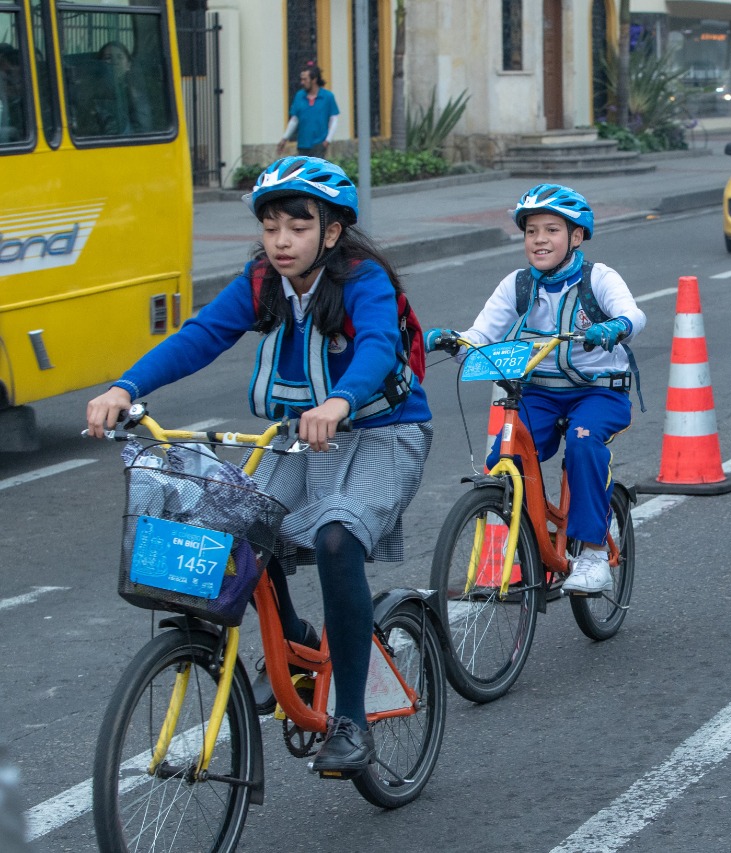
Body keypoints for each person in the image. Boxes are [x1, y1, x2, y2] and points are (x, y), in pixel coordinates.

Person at [85, 156, 433, 774]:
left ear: (330, 231)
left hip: (383, 432)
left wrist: (339, 400)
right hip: (302, 435)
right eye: (271, 225)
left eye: (297, 227)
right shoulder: (260, 281)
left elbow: (379, 344)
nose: (280, 240)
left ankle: (350, 720)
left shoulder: (362, 279)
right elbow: (200, 336)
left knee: (334, 539)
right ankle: (294, 643)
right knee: (237, 521)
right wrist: (126, 388)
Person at [426, 184, 645, 594]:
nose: (540, 239)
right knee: (503, 461)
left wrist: (615, 327)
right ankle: (534, 546)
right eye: (531, 231)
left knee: (582, 442)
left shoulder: (599, 278)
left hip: (598, 392)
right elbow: (481, 335)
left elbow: (633, 314)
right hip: (540, 393)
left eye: (552, 230)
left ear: (576, 237)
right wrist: (453, 340)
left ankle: (595, 551)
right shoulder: (518, 285)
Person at [278, 62, 339, 158]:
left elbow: (334, 119)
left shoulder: (327, 96)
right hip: (303, 143)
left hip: (319, 143)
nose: (302, 82)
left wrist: (327, 140)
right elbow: (294, 119)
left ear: (314, 79)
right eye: (301, 79)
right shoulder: (299, 96)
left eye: (305, 79)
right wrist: (285, 138)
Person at [95, 41, 151, 133]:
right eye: (108, 58)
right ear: (100, 65)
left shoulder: (135, 95)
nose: (114, 62)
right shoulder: (92, 92)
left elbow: (143, 129)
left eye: (119, 57)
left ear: (128, 65)